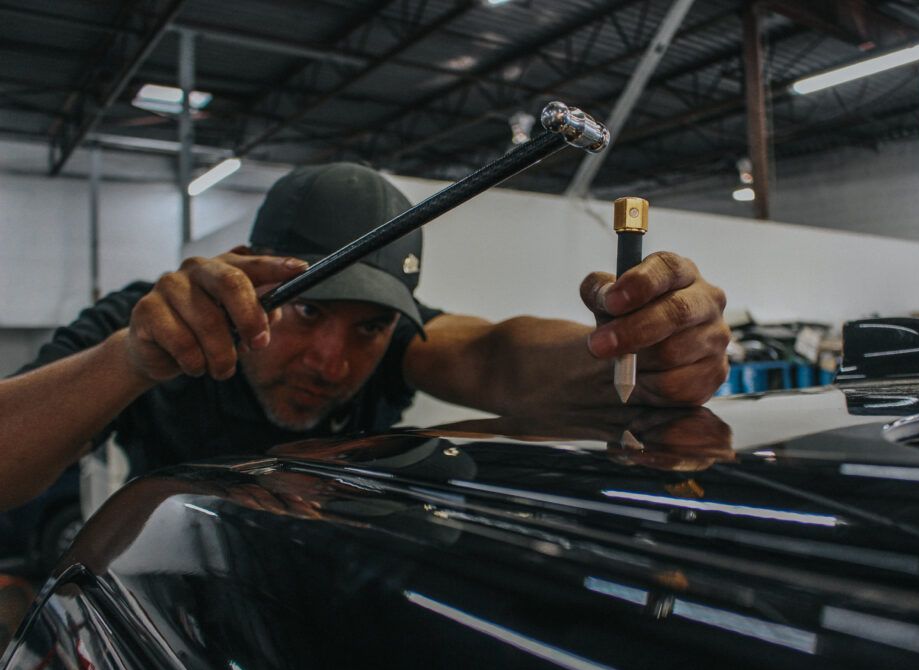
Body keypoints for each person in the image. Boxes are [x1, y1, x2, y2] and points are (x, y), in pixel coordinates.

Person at [0, 163, 729, 511]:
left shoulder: (397, 340)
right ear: (251, 281)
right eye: (308, 311)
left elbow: (492, 354)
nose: (332, 360)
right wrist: (129, 361)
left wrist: (633, 354)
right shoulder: (153, 327)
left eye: (370, 325)